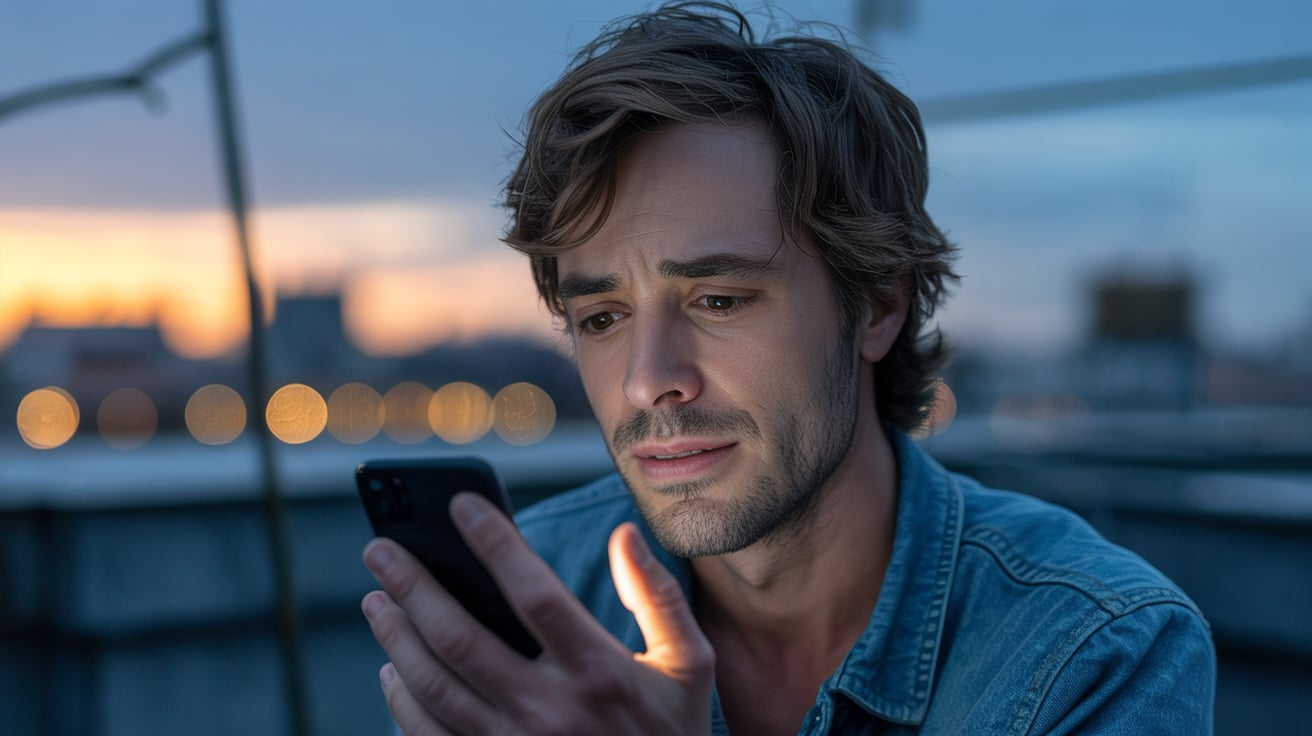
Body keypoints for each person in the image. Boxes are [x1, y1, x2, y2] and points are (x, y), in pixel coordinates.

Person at [360, 2, 1217, 733]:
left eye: (719, 300)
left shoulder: (1096, 649)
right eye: (604, 317)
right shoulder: (534, 604)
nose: (646, 380)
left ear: (877, 305)